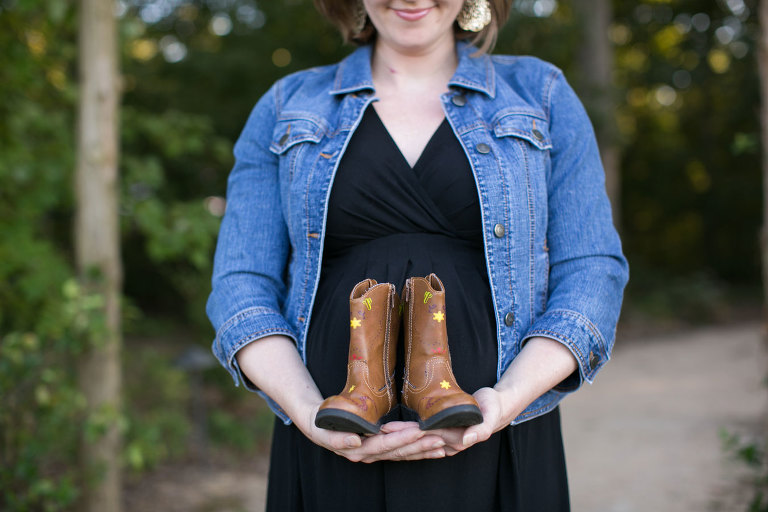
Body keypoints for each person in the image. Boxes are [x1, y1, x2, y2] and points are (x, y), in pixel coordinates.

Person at [206, 0, 629, 510]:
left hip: (498, 433)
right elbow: (240, 282)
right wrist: (306, 410)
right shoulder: (287, 105)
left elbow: (592, 267)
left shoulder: (540, 93)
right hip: (329, 436)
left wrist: (505, 402)